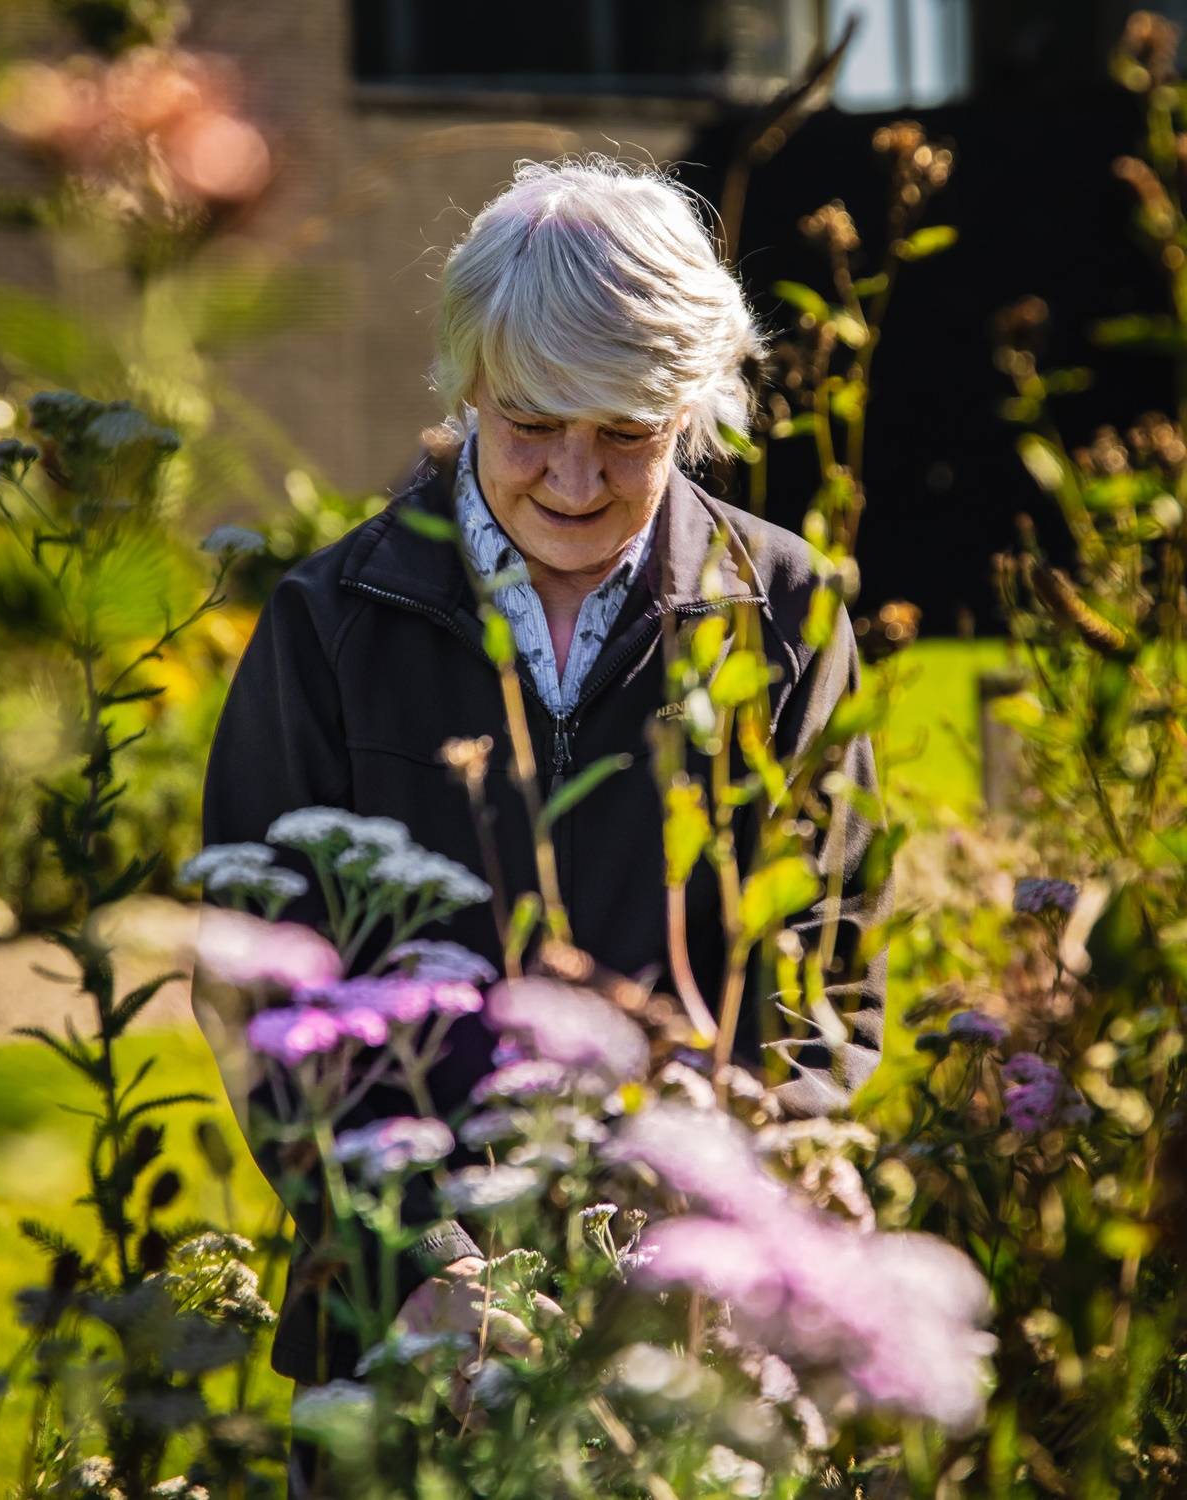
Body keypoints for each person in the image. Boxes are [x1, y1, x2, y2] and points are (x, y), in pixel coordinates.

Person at [194, 154, 892, 1493]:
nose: (575, 479)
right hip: (397, 1332)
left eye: (626, 432)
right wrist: (417, 1264)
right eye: (531, 423)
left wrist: (710, 1219)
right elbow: (260, 973)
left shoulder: (787, 613)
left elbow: (827, 966)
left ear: (691, 410)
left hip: (686, 1340)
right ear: (467, 390)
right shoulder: (332, 623)